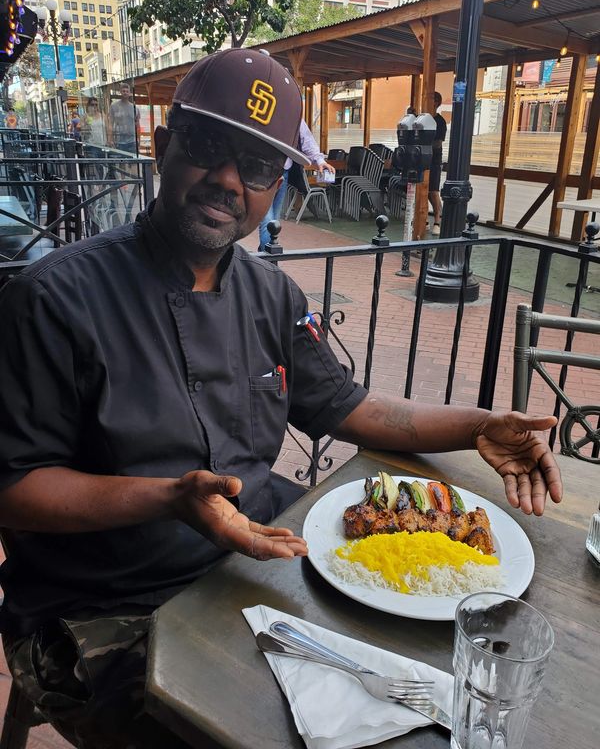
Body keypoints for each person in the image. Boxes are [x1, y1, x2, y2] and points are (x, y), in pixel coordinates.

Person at [0, 48, 562, 749]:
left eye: (259, 166)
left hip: (248, 563)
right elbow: (16, 488)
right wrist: (169, 499)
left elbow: (352, 407)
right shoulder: (54, 297)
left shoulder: (272, 297)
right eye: (210, 148)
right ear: (164, 145)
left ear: (277, 187)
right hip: (99, 607)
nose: (230, 181)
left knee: (421, 675)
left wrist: (475, 424)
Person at [258, 119, 335, 251]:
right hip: (262, 171)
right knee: (268, 221)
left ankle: (265, 259)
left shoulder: (292, 111)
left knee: (274, 221)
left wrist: (320, 160)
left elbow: (306, 138)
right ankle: (268, 259)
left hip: (283, 171)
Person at [429, 91, 447, 236]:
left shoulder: (440, 122)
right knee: (423, 190)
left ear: (436, 103)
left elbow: (438, 143)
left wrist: (423, 145)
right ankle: (425, 219)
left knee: (433, 191)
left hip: (434, 160)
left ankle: (437, 221)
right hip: (421, 160)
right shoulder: (422, 119)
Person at [108, 82, 140, 154]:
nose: (125, 93)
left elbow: (137, 125)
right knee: (122, 163)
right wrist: (110, 139)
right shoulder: (114, 106)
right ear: (120, 92)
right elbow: (110, 123)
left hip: (132, 141)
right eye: (123, 91)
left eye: (127, 91)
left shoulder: (135, 108)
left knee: (133, 163)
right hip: (119, 141)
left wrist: (138, 139)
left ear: (129, 93)